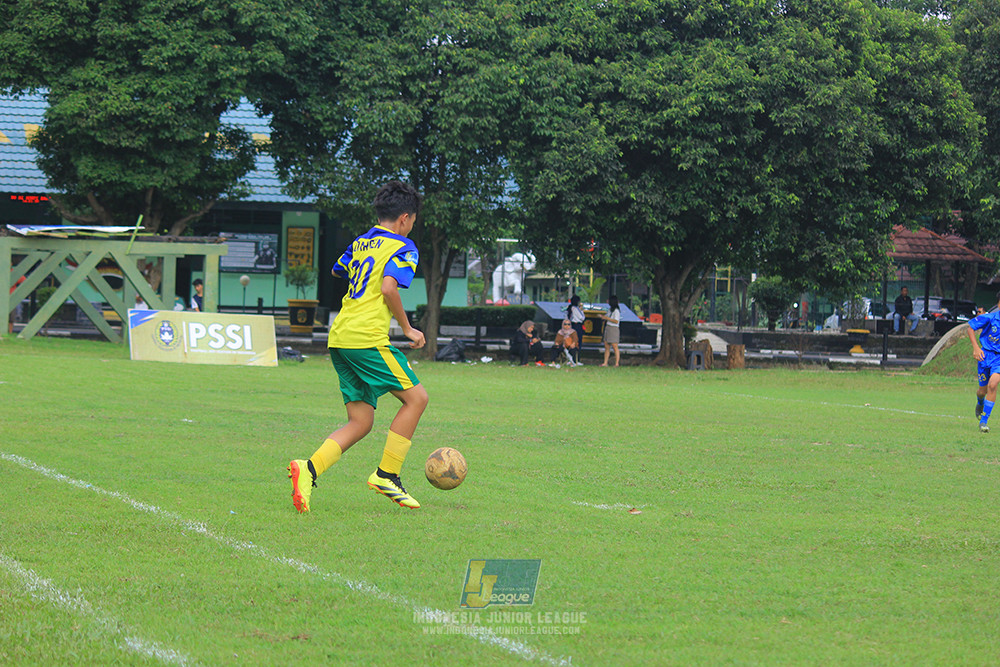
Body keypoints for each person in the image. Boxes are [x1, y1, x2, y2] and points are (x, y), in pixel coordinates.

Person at [288, 181, 428, 512]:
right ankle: (387, 474)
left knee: (361, 421)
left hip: (339, 337)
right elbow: (389, 288)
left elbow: (340, 268)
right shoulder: (404, 246)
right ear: (405, 218)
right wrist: (408, 329)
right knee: (417, 399)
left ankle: (307, 470)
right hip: (366, 338)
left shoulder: (361, 242)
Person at [967, 292, 1000, 433]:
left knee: (993, 384)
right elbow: (970, 328)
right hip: (984, 356)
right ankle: (980, 403)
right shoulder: (990, 317)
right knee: (982, 391)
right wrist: (976, 348)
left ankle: (984, 422)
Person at [600, 295, 621, 367]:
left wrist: (607, 318)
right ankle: (605, 362)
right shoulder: (610, 310)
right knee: (606, 346)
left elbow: (616, 321)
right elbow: (607, 317)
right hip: (608, 328)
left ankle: (617, 363)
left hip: (613, 328)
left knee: (615, 346)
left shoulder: (616, 311)